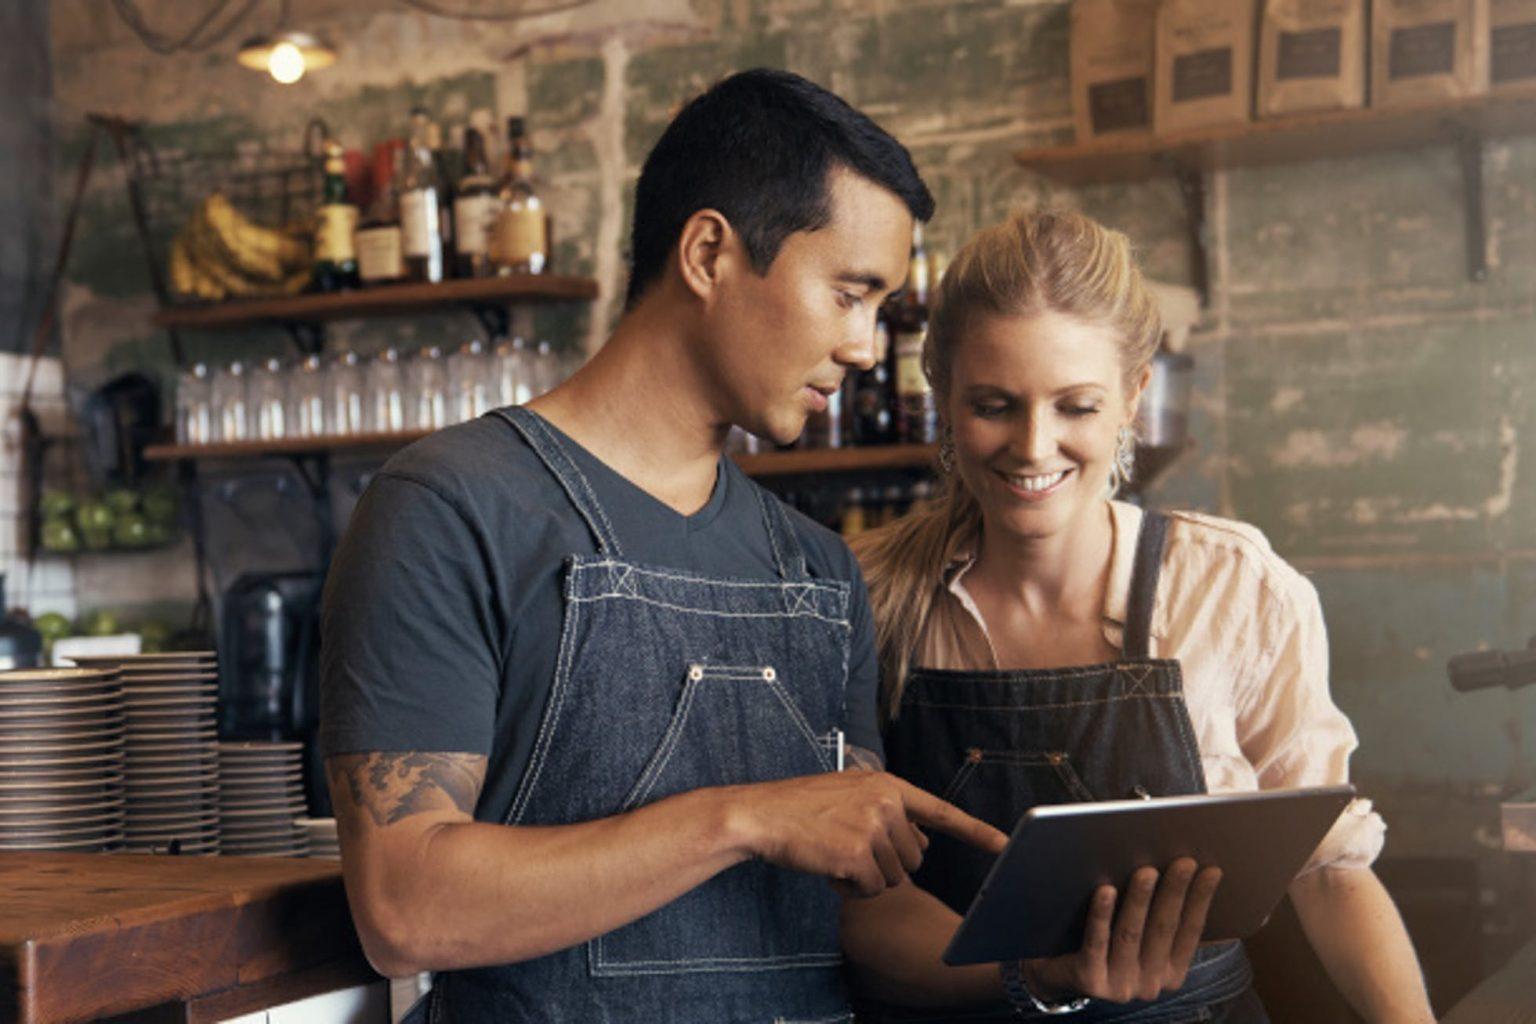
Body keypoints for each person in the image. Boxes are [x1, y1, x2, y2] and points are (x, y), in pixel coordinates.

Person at [318, 68, 1012, 1023]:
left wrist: (1040, 973)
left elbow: (860, 917)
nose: (862, 346)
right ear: (708, 253)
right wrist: (744, 817)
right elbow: (406, 906)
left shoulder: (818, 572)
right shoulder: (449, 508)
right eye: (849, 295)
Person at [842, 210, 1435, 1022]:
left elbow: (1328, 867)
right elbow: (862, 908)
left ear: (1133, 396)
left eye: (1076, 406)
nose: (1034, 444)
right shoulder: (864, 598)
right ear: (940, 392)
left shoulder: (1230, 588)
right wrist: (1037, 978)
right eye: (994, 404)